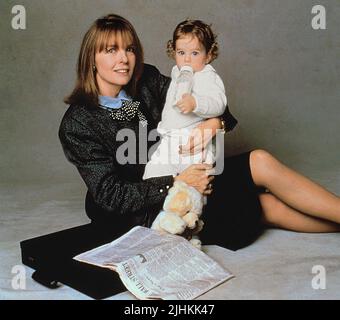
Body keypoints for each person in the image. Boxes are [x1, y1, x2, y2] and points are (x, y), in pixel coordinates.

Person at [59, 14, 340, 251]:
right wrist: (177, 181)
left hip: (187, 170)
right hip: (142, 208)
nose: (124, 59)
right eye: (111, 50)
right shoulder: (78, 123)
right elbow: (111, 195)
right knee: (263, 206)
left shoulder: (146, 79)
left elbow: (210, 100)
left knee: (260, 160)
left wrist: (213, 123)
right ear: (91, 59)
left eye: (130, 49)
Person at [143, 19, 226, 179]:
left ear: (208, 55)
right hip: (169, 140)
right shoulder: (177, 72)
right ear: (174, 52)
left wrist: (196, 103)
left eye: (195, 53)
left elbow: (219, 103)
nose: (187, 59)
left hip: (194, 140)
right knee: (152, 174)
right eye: (181, 53)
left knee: (193, 185)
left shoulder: (207, 76)